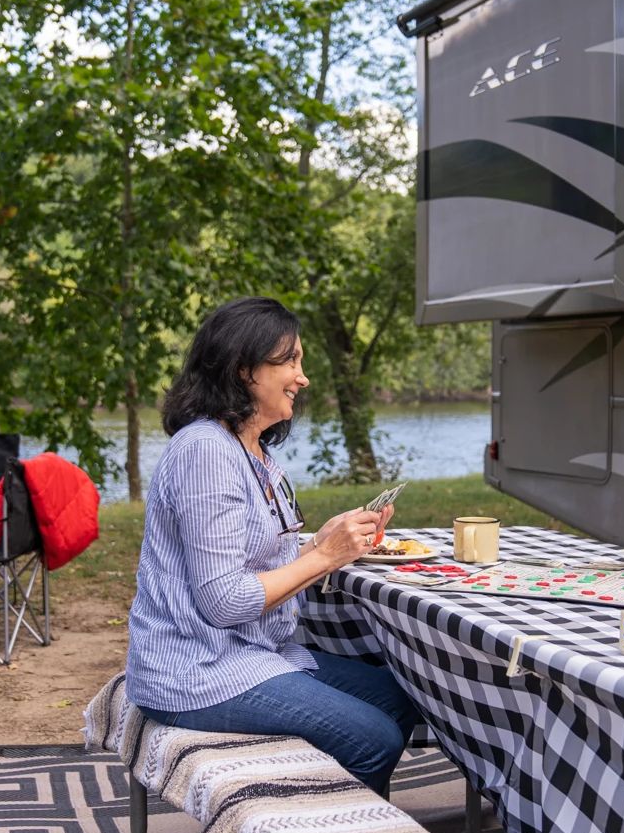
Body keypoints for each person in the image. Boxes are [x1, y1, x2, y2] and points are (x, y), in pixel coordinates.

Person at [126, 297, 419, 794]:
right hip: (196, 671)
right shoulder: (205, 451)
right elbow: (224, 601)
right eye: (290, 361)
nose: (303, 378)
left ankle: (341, 812)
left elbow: (257, 562)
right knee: (374, 738)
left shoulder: (253, 453)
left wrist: (324, 542)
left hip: (253, 653)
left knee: (400, 698)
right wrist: (325, 556)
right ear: (244, 370)